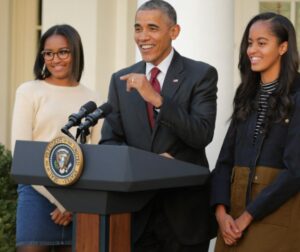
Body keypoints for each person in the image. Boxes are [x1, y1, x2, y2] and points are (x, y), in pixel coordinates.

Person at [100, 0, 218, 251]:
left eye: (152, 28)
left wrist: (158, 100)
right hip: (136, 214)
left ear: (173, 32)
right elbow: (110, 141)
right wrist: (146, 166)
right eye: (138, 28)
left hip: (184, 213)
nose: (143, 36)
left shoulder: (201, 74)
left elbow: (201, 134)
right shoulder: (120, 80)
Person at [211, 12, 300, 251]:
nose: (252, 50)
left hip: (277, 215)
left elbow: (296, 170)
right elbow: (224, 161)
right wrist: (221, 213)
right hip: (233, 216)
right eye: (250, 43)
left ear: (283, 47)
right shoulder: (246, 95)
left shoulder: (297, 97)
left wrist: (248, 215)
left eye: (262, 43)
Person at [11, 24, 100, 252]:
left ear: (75, 53)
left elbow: (97, 154)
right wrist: (60, 202)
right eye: (48, 53)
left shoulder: (91, 98)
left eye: (63, 51)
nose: (55, 59)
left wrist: (73, 203)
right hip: (36, 190)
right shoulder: (29, 91)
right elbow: (21, 154)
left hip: (77, 196)